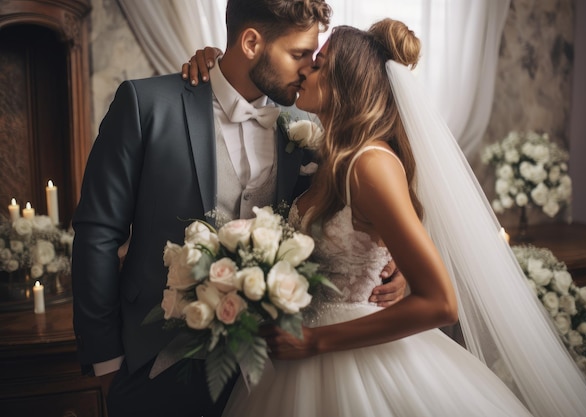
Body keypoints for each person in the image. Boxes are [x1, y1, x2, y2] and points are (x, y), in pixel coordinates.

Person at [186, 19, 586, 417]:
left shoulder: (370, 164)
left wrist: (316, 341)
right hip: (297, 358)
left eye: (317, 65)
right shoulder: (329, 159)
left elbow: (442, 302)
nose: (304, 73)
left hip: (353, 358)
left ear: (345, 81)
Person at [72, 1, 406, 416]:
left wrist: (395, 260)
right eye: (300, 54)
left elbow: (361, 207)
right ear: (251, 42)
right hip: (155, 363)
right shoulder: (146, 104)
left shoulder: (309, 121)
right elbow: (97, 234)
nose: (308, 68)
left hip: (273, 373)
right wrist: (107, 364)